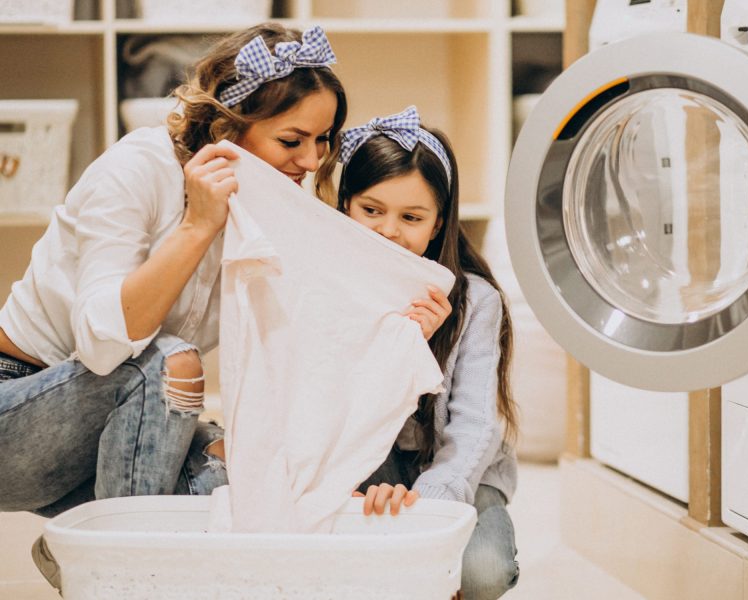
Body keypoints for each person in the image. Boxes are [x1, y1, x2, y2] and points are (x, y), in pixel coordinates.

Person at [0, 22, 346, 589]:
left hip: (125, 417)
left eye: (323, 139)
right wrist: (196, 226)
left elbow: (287, 345)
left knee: (234, 486)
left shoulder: (266, 205)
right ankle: (116, 578)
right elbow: (104, 344)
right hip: (17, 406)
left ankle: (82, 555)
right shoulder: (136, 169)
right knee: (168, 362)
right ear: (228, 127)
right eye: (292, 140)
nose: (312, 161)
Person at [337, 107, 520, 600]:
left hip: (461, 469)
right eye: (371, 210)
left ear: (438, 224)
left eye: (411, 217)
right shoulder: (330, 290)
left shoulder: (476, 301)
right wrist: (403, 349)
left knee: (481, 573)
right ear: (345, 205)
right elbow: (333, 409)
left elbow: (477, 424)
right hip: (365, 461)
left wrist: (432, 500)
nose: (389, 231)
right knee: (360, 567)